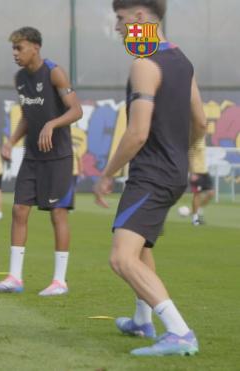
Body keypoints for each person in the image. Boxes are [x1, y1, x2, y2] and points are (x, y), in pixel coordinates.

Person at [93, 0, 206, 356]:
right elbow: (201, 123)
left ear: (141, 19)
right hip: (173, 171)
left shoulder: (144, 64)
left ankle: (179, 332)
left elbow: (137, 134)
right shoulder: (181, 60)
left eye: (121, 19)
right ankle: (142, 320)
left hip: (152, 174)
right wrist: (177, 153)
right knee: (140, 249)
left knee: (121, 258)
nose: (118, 27)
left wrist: (107, 175)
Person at [0, 27, 82, 296]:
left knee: (57, 214)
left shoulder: (55, 72)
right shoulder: (20, 78)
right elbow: (28, 116)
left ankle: (59, 281)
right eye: (13, 49)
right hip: (32, 156)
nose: (15, 54)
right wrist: (11, 140)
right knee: (18, 210)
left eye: (20, 48)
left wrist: (52, 123)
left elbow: (76, 110)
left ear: (36, 47)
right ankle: (15, 278)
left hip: (59, 157)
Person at [188, 136, 214, 225]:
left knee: (211, 193)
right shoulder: (193, 138)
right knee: (197, 195)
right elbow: (190, 154)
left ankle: (195, 210)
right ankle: (195, 219)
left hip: (204, 171)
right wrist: (192, 172)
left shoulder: (202, 138)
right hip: (196, 171)